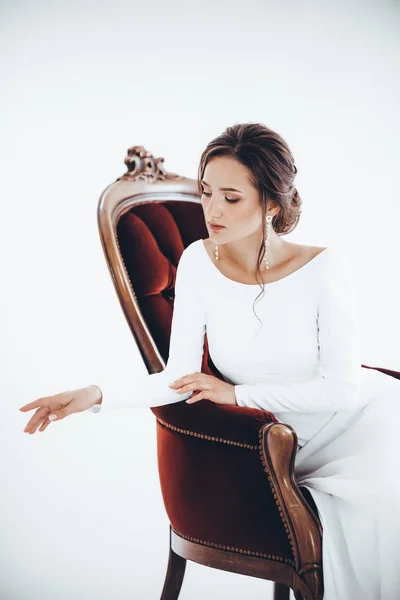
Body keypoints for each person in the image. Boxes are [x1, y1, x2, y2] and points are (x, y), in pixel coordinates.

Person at [19, 122, 400, 599]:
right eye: (206, 192)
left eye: (231, 198)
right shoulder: (199, 262)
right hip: (272, 440)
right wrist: (96, 395)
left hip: (362, 429)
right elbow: (178, 376)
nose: (212, 210)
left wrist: (236, 394)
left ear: (272, 203)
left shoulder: (324, 268)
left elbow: (343, 391)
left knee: (386, 505)